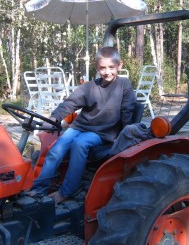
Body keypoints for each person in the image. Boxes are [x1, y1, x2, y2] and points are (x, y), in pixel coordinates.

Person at [30, 47, 136, 204]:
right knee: (57, 148)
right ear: (97, 67)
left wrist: (126, 134)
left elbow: (127, 110)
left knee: (80, 144)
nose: (107, 72)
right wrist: (54, 118)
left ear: (119, 65)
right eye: (102, 68)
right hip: (80, 126)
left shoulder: (124, 85)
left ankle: (66, 191)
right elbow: (70, 103)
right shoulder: (90, 87)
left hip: (104, 132)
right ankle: (39, 189)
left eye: (111, 67)